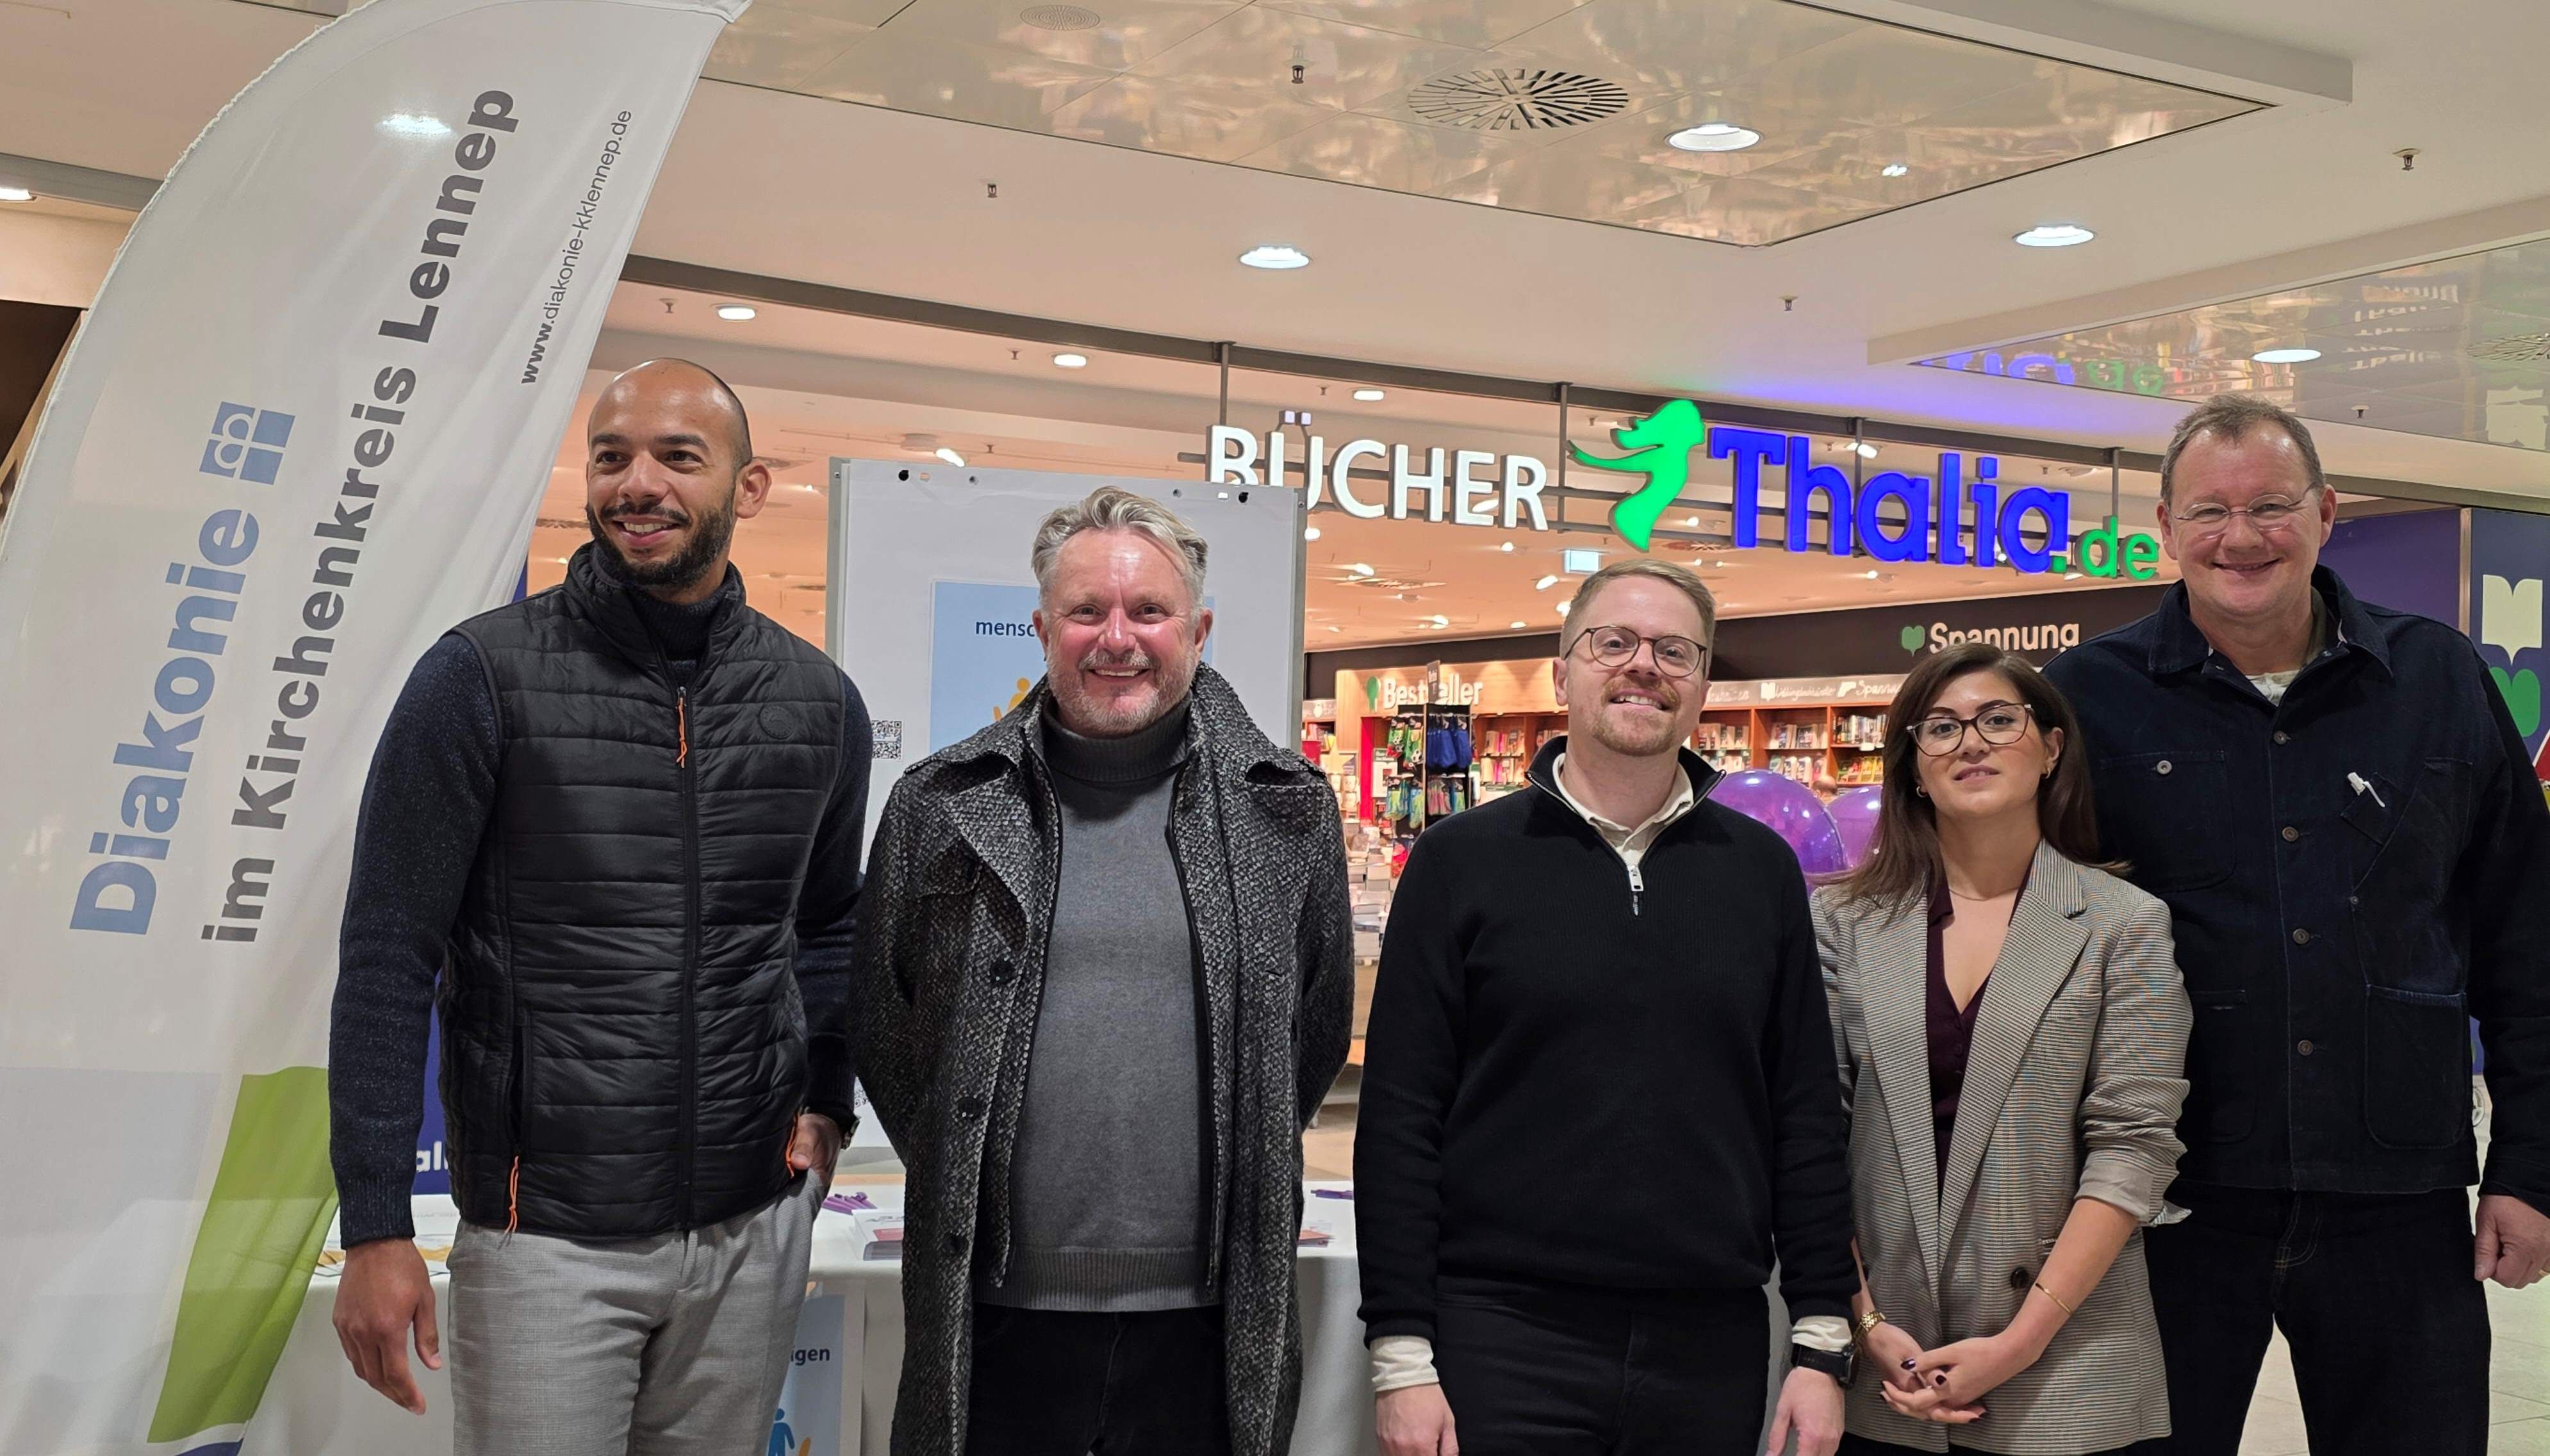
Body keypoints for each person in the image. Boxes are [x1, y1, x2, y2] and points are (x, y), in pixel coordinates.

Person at [325, 359, 872, 1454]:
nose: (640, 483)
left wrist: (825, 1101)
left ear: (748, 486)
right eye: (613, 454)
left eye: (679, 456)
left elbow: (825, 926)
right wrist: (376, 1225)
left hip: (748, 1236)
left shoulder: (819, 701)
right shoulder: (477, 676)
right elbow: (389, 954)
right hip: (546, 1245)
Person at [2044, 393, 2550, 1455]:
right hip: (2164, 1197)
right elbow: (2029, 940)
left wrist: (2532, 1164)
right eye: (2210, 511)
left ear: (2325, 514)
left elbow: (2526, 931)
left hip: (2397, 1191)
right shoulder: (2088, 696)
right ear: (2166, 530)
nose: (2242, 536)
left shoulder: (2440, 676)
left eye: (2271, 505)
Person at [855, 486, 1354, 1456]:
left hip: (1210, 1325)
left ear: (1198, 628)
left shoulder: (1286, 813)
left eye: (1148, 612)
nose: (1116, 638)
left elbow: (1315, 1033)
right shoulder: (941, 805)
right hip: (996, 1315)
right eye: (1087, 611)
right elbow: (887, 1028)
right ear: (1043, 628)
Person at [1356, 557, 1857, 1456]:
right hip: (1501, 1336)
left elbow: (1806, 1114)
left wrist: (1822, 1340)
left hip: (1711, 1342)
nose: (1643, 666)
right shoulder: (1461, 861)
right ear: (1563, 670)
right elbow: (1399, 1119)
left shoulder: (1760, 872)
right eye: (1613, 642)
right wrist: (1401, 1355)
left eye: (1675, 650)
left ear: (1701, 682)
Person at [1813, 642, 2191, 1454]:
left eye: (1997, 719)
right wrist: (1865, 1317)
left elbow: (2132, 1148)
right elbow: (1812, 1135)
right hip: (1883, 1356)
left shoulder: (2123, 924)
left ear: (2050, 747)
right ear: (1913, 766)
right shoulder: (1841, 923)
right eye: (1939, 728)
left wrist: (2017, 1343)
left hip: (2066, 1359)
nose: (1970, 743)